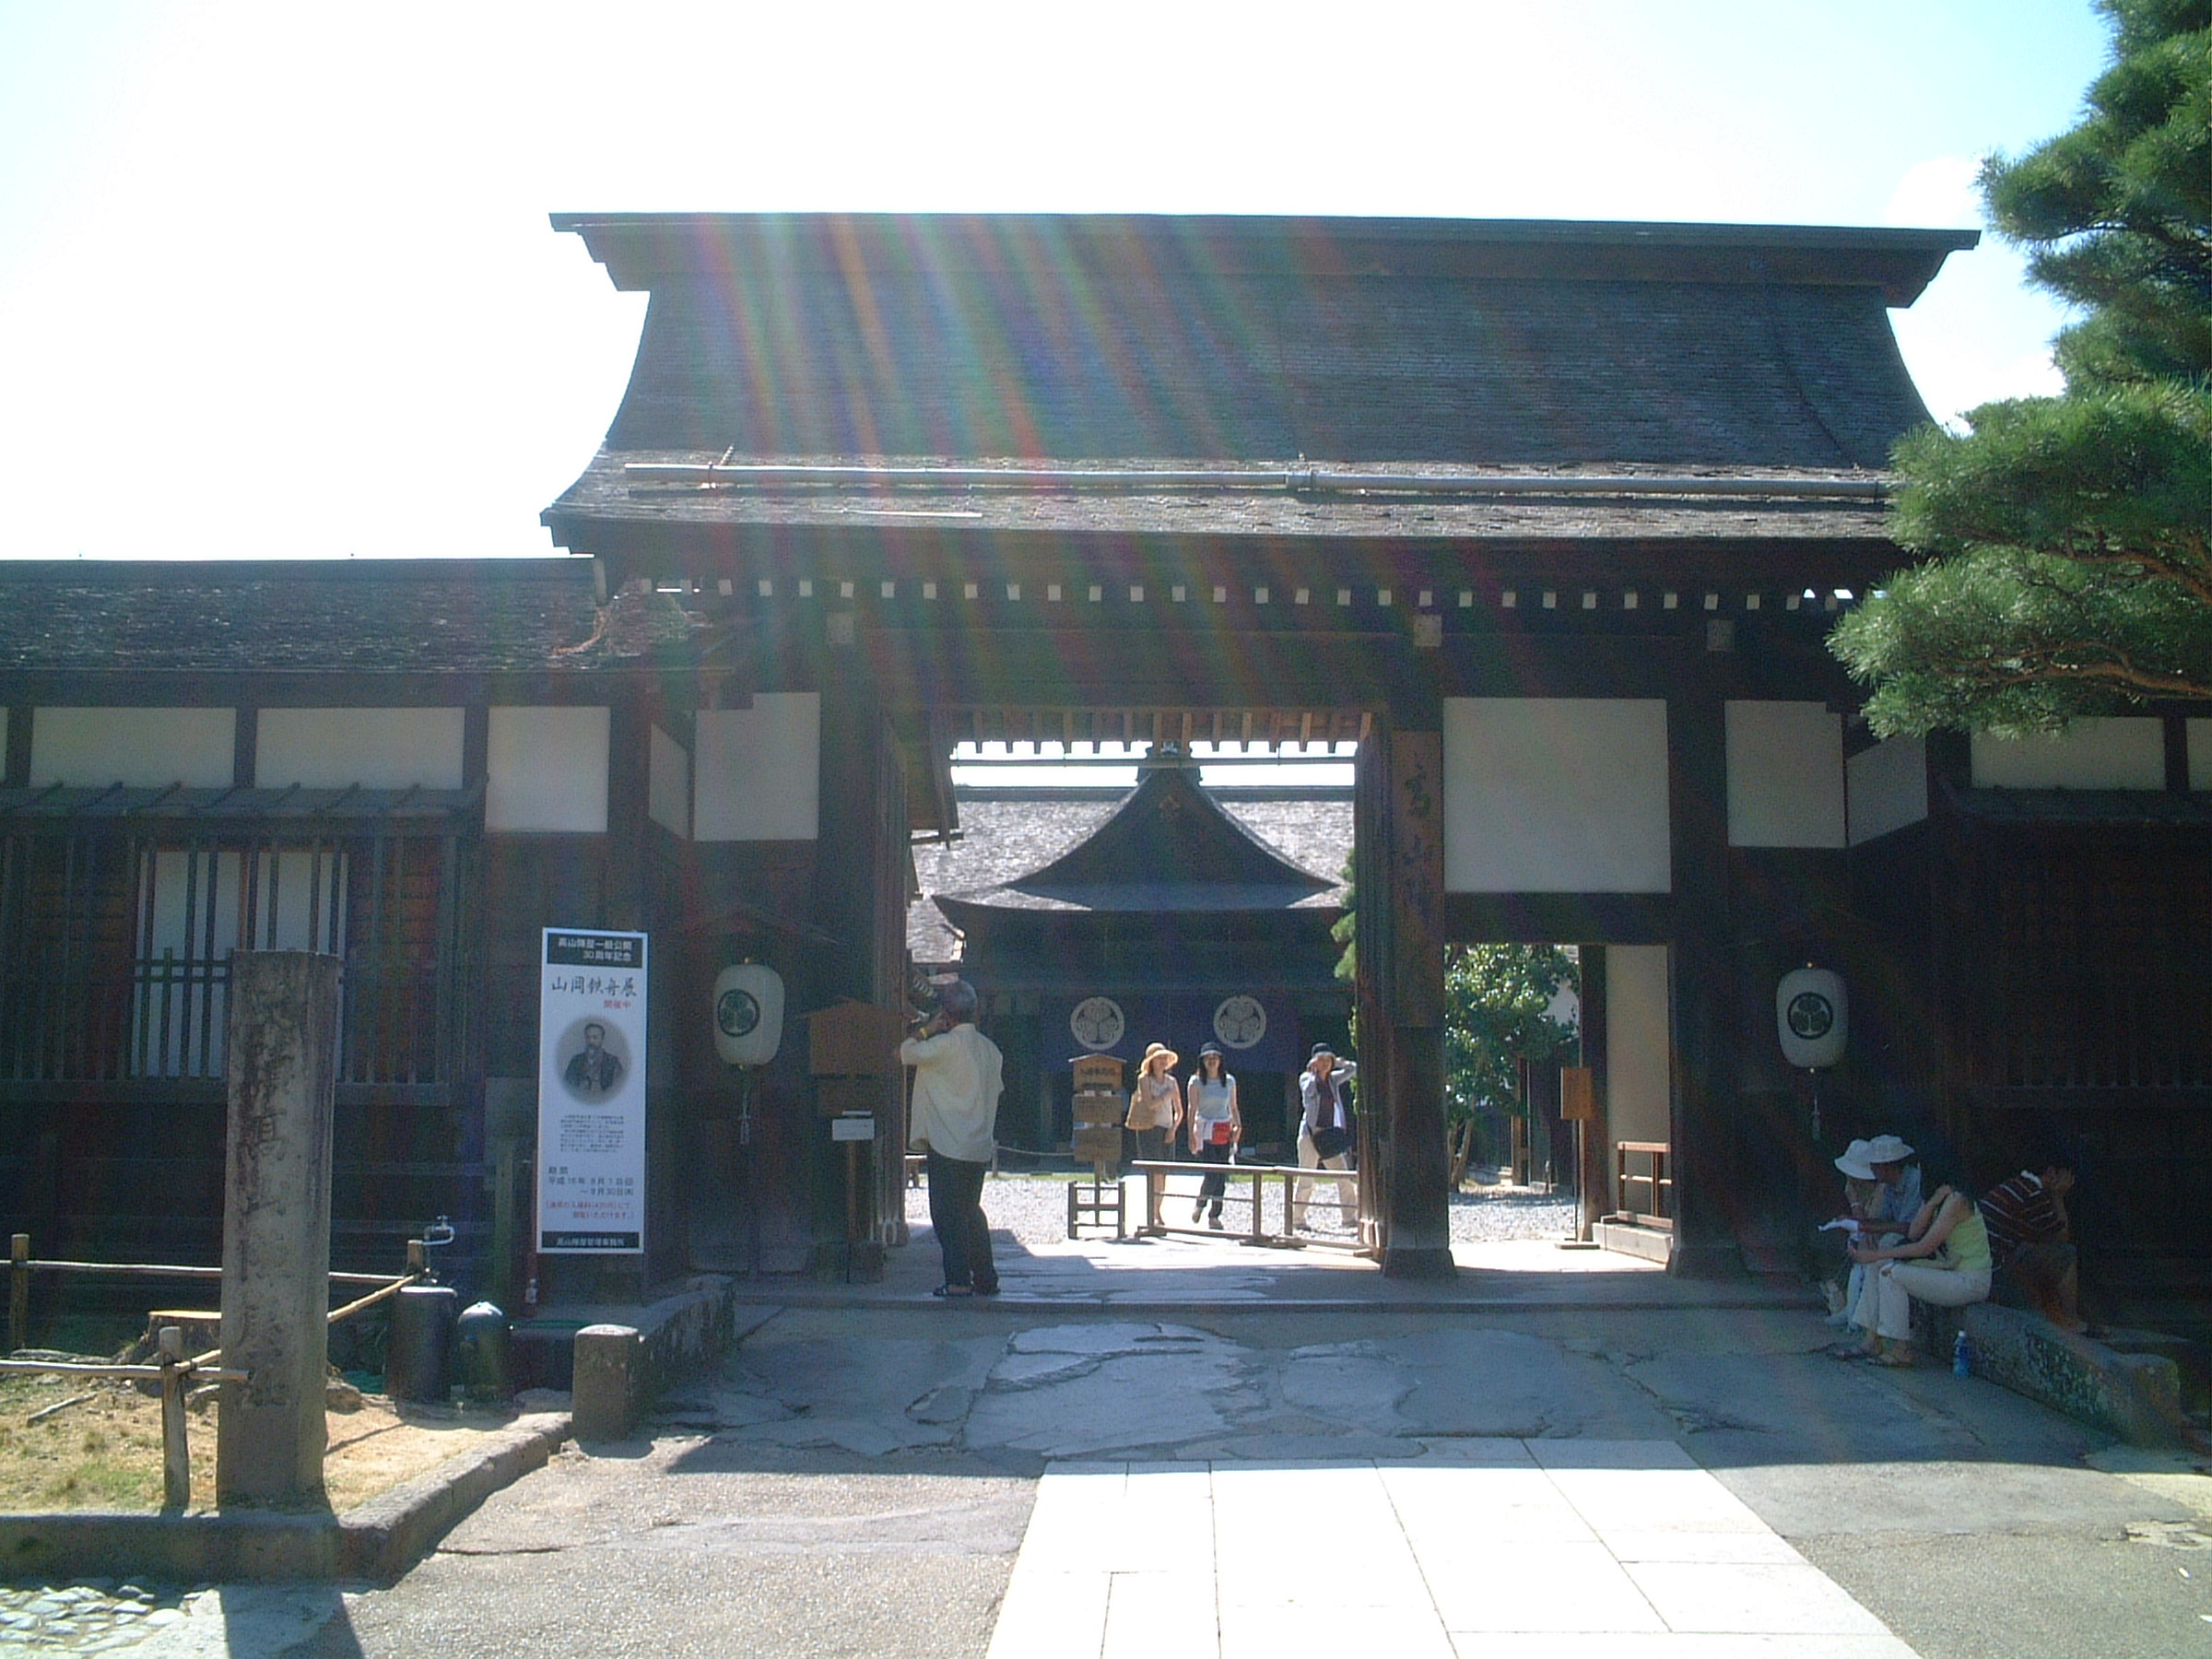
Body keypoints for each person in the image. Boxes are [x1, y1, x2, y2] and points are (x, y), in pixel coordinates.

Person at [900, 980, 1004, 1299]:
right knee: (970, 1210)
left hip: (947, 1139)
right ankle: (986, 1277)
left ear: (947, 1013)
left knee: (947, 1215)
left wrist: (927, 1029)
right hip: (977, 1143)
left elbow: (904, 1052)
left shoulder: (944, 1046)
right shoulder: (991, 1050)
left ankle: (959, 1279)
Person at [1837, 1171, 1992, 1366]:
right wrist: (1932, 1202)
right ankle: (1872, 1340)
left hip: (1970, 1280)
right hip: (1950, 1272)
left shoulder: (1957, 1201)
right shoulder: (1939, 1199)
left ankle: (1902, 1350)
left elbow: (1924, 1247)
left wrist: (1874, 1254)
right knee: (1878, 1266)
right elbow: (1914, 1232)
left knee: (1891, 1274)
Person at [1827, 1135, 1924, 1327]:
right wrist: (1856, 1222)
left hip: (1919, 1243)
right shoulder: (1890, 1186)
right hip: (1899, 1242)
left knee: (1885, 1246)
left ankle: (1865, 1321)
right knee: (1873, 1255)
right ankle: (1866, 1323)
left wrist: (1862, 1225)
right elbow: (1884, 1220)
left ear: (1886, 1166)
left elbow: (1907, 1227)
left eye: (1874, 1165)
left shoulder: (1914, 1182)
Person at [1981, 1154, 2087, 1332]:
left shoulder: (2016, 1185)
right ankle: (2071, 1320)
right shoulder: (2033, 1193)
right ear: (2052, 1172)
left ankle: (2057, 1314)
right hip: (1995, 1271)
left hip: (1989, 1262)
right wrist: (2058, 1197)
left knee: (2037, 1253)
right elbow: (2061, 1236)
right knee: (2066, 1254)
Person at [1292, 1043, 1358, 1233]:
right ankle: (1297, 1218)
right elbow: (1309, 1090)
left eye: (1327, 1060)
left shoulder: (1333, 1080)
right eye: (1321, 1060)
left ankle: (1349, 1216)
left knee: (1344, 1176)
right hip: (1310, 1136)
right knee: (1306, 1178)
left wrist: (1339, 1062)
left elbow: (1353, 1069)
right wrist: (1314, 1071)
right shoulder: (1306, 1078)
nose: (1325, 1064)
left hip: (1328, 1136)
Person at [1184, 1041, 1241, 1230]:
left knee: (1222, 1173)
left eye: (1215, 1057)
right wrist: (1191, 1134)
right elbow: (1192, 1108)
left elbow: (1233, 1106)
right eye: (1208, 1058)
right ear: (1203, 1061)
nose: (1212, 1061)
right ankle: (1200, 1204)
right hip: (1205, 1128)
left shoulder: (1230, 1081)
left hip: (1224, 1128)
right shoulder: (1196, 1081)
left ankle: (1214, 1214)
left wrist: (1238, 1126)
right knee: (1212, 1173)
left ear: (1220, 1060)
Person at [1125, 1042, 1182, 1166]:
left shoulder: (1171, 1081)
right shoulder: (1144, 1079)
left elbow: (1179, 1111)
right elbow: (1149, 1104)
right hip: (1149, 1127)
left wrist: (1173, 1129)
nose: (1163, 1061)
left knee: (1165, 1170)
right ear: (1151, 1061)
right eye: (1159, 1058)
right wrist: (1165, 1096)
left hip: (1167, 1127)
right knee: (1152, 1170)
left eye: (1164, 1058)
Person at [563, 1023, 623, 1094]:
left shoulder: (613, 1062)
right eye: (588, 1037)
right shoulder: (575, 1061)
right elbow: (569, 1085)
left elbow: (618, 1086)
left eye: (595, 1037)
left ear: (602, 1039)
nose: (591, 1041)